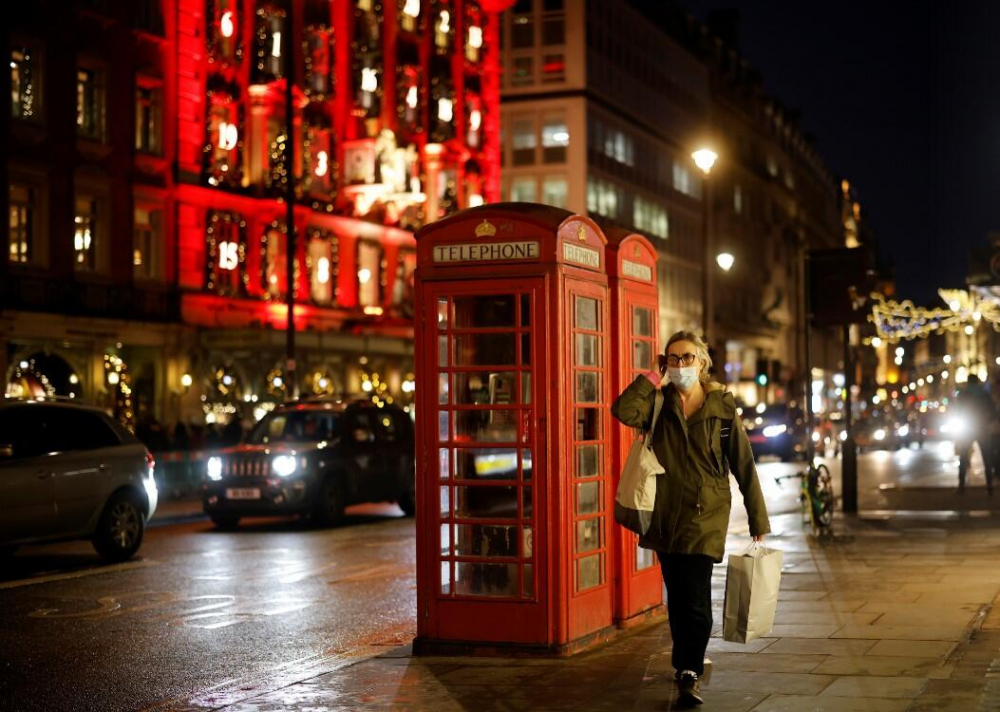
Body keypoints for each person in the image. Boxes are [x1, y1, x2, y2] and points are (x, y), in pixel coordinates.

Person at [611, 330, 771, 707]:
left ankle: (689, 670)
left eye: (686, 358)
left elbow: (744, 466)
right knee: (678, 598)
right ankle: (686, 664)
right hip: (663, 515)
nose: (679, 365)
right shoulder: (656, 403)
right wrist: (653, 377)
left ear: (702, 362)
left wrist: (757, 520)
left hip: (705, 516)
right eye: (672, 358)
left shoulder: (721, 407)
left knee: (696, 600)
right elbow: (622, 411)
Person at [954, 374, 998, 495]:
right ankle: (989, 487)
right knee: (986, 457)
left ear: (968, 382)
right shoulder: (985, 395)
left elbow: (957, 411)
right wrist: (987, 421)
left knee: (963, 457)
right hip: (982, 428)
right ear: (977, 382)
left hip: (967, 428)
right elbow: (994, 412)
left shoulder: (962, 394)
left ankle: (961, 486)